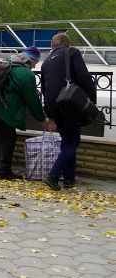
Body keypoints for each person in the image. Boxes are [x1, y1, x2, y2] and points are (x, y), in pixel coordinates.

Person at [0, 47, 53, 180]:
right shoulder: (26, 74)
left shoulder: (5, 62)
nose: (35, 65)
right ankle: (3, 172)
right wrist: (42, 119)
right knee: (8, 140)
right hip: (3, 109)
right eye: (36, 62)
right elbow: (32, 100)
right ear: (31, 60)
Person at [41, 34, 96, 191]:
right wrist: (91, 99)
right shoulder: (72, 52)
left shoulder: (45, 63)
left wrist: (49, 113)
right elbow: (83, 76)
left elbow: (44, 89)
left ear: (53, 46)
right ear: (67, 43)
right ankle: (53, 176)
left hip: (53, 106)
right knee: (72, 142)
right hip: (69, 103)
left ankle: (69, 179)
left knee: (67, 140)